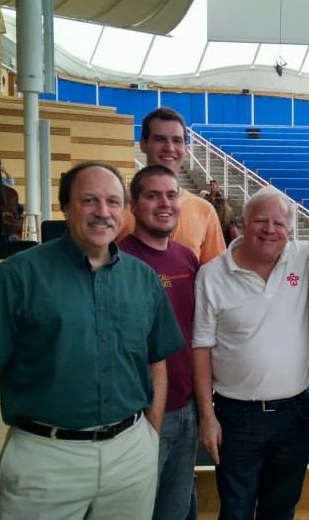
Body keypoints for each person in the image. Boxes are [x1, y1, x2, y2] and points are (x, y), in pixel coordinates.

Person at [0, 161, 185, 520]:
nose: (103, 212)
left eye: (113, 202)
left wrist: (149, 439)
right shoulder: (20, 275)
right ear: (65, 206)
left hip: (131, 454)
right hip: (45, 460)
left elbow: (156, 363)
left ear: (124, 209)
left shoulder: (144, 279)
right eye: (89, 200)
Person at [193, 187, 309, 520]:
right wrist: (207, 416)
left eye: (279, 223)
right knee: (235, 510)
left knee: (281, 509)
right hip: (236, 416)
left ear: (290, 229)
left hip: (295, 413)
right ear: (242, 224)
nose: (269, 229)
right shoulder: (212, 275)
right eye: (260, 220)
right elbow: (200, 348)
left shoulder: (304, 257)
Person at [118, 164, 200, 520]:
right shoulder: (117, 260)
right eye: (152, 195)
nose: (164, 203)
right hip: (139, 416)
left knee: (174, 511)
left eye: (171, 195)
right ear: (133, 206)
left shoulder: (187, 258)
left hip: (187, 410)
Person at [118, 107, 227, 263]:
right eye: (159, 139)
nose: (169, 148)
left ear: (186, 148)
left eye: (177, 140)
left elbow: (215, 277)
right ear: (143, 144)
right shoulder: (117, 207)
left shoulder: (204, 211)